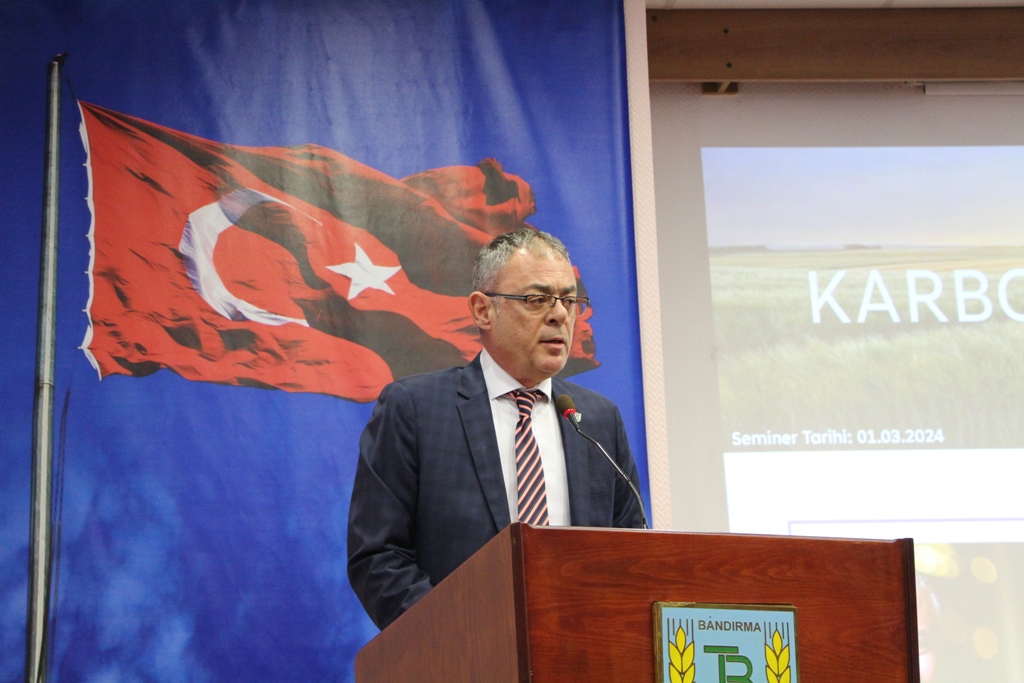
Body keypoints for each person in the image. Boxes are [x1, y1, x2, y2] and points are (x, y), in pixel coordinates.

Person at [347, 228, 643, 629]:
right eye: (537, 299)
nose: (560, 315)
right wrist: (464, 640)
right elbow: (378, 556)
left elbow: (631, 556)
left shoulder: (596, 420)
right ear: (483, 310)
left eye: (569, 300)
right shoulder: (416, 410)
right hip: (459, 652)